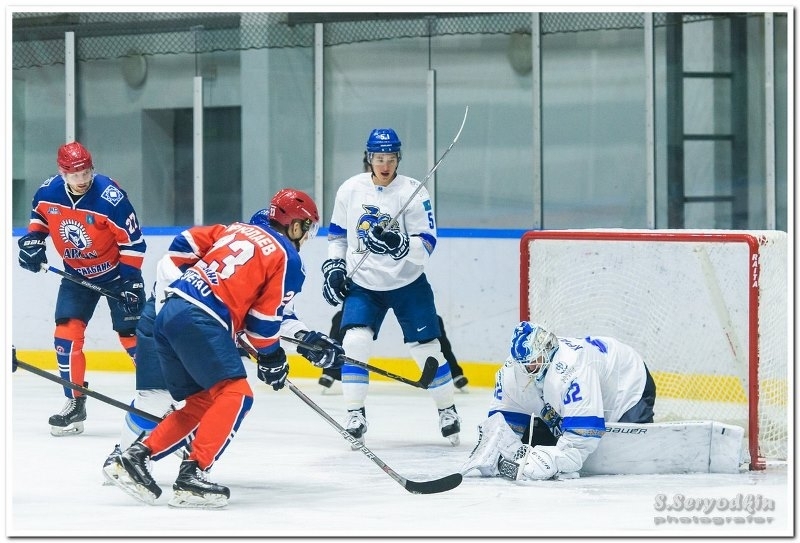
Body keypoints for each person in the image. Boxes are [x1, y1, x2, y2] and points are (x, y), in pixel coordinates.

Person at [102, 189, 344, 508]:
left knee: (202, 400)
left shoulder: (236, 230)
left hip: (172, 313)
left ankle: (134, 458)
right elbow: (262, 322)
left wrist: (304, 340)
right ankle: (192, 475)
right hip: (202, 319)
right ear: (295, 226)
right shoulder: (287, 256)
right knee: (237, 394)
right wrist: (271, 356)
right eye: (307, 228)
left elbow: (265, 317)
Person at [321, 127, 461, 447]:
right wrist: (334, 267)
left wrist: (400, 244)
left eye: (391, 158)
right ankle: (355, 413)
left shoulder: (414, 192)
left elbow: (428, 243)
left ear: (399, 158)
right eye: (379, 158)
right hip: (364, 284)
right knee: (355, 341)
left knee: (425, 349)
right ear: (368, 158)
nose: (385, 165)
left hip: (407, 283)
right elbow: (337, 236)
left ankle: (447, 409)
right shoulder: (350, 190)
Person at [17, 141, 146, 437]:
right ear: (62, 173)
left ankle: (161, 398)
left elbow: (134, 243)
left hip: (117, 274)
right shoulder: (48, 192)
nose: (82, 179)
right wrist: (33, 241)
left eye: (86, 172)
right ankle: (75, 402)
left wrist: (131, 281)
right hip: (76, 275)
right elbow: (40, 220)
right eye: (75, 174)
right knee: (65, 336)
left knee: (133, 338)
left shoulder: (111, 198)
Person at [461, 321, 657, 480]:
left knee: (628, 450)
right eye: (526, 364)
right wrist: (493, 449)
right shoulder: (511, 373)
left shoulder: (574, 368)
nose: (531, 368)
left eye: (535, 360)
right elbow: (502, 428)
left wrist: (553, 461)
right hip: (581, 389)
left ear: (548, 347)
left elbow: (582, 438)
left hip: (627, 384)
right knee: (539, 440)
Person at [318, 312, 469, 391]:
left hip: (399, 289)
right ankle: (331, 371)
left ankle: (453, 371)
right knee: (342, 319)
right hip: (371, 291)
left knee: (431, 320)